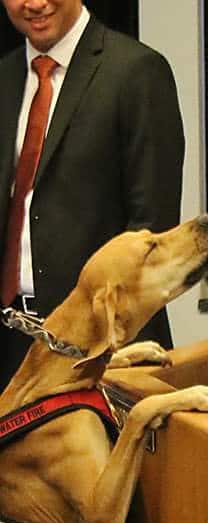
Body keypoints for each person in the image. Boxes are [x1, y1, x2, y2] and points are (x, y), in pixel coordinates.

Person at [0, 0, 184, 391]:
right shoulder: (4, 76)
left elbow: (152, 228)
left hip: (101, 348)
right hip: (12, 339)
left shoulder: (136, 72)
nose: (33, 3)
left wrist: (105, 334)